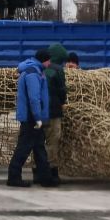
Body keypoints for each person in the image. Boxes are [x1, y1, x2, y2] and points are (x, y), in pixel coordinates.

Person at [7, 49, 57, 188]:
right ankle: (13, 176)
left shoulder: (35, 70)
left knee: (39, 148)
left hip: (33, 117)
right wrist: (38, 117)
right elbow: (34, 98)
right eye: (49, 60)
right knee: (24, 148)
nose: (50, 62)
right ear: (44, 60)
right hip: (31, 118)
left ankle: (45, 178)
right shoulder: (32, 73)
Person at [42, 43, 68, 184]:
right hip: (53, 110)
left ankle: (37, 170)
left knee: (40, 141)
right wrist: (63, 102)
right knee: (53, 140)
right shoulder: (58, 70)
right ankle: (52, 172)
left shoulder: (40, 67)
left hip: (39, 111)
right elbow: (62, 90)